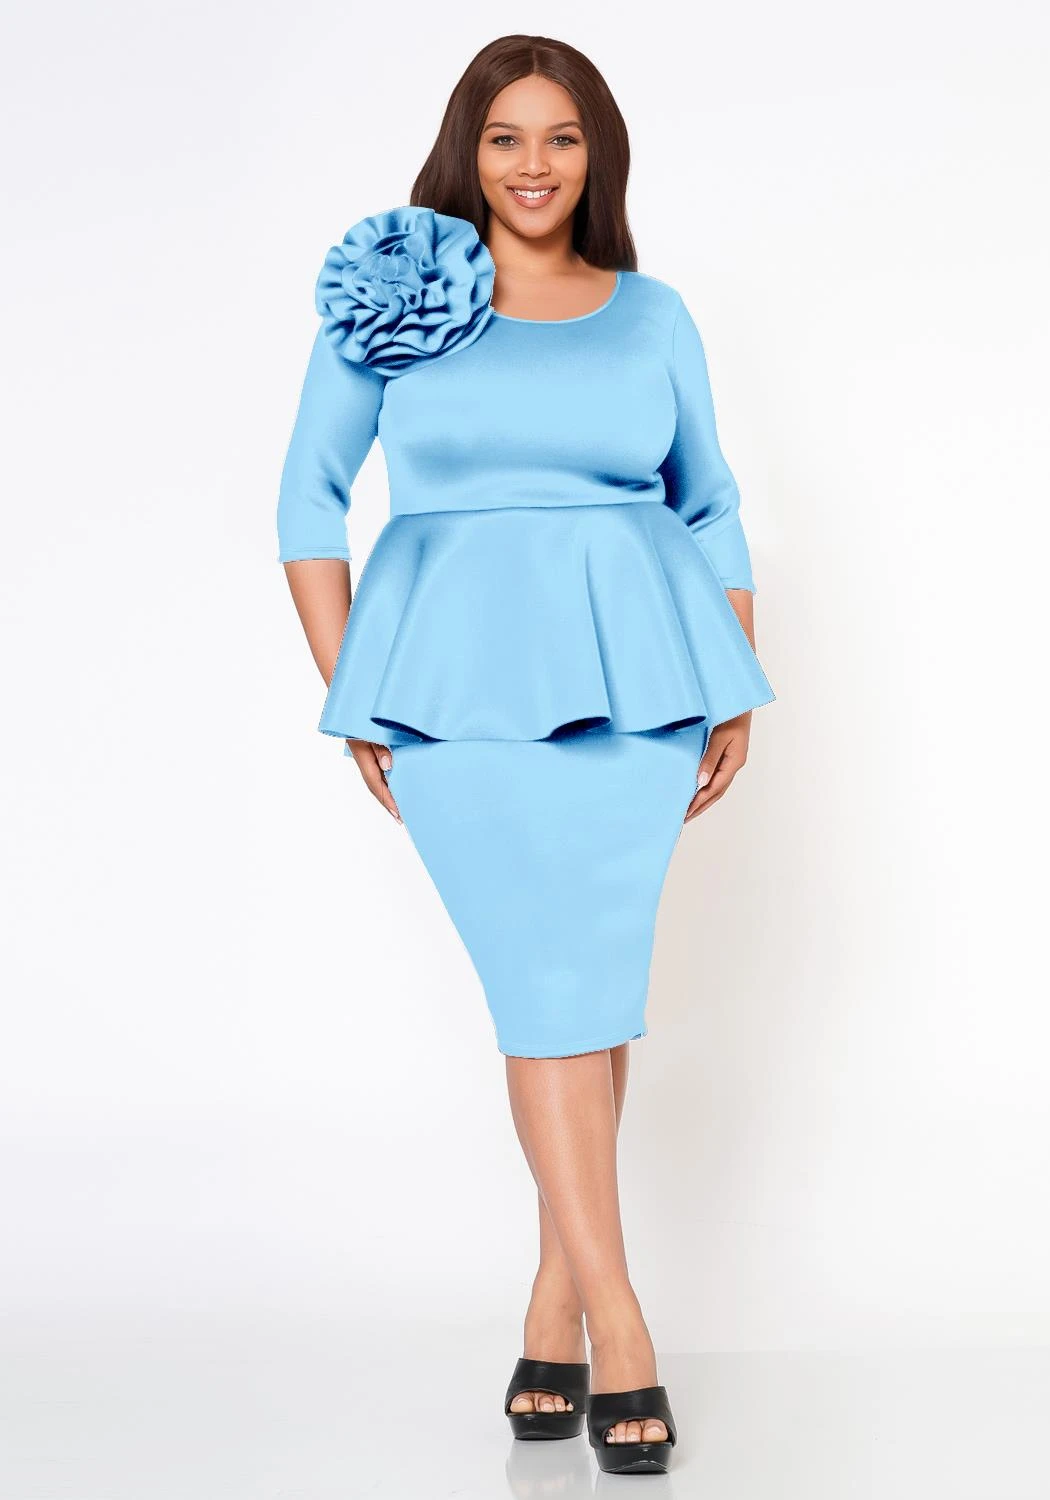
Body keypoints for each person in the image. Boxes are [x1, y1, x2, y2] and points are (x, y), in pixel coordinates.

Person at [277, 34, 774, 1477]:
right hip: (451, 695)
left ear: (596, 151)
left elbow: (709, 501)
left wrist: (732, 682)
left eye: (561, 136)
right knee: (547, 993)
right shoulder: (391, 296)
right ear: (468, 149)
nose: (534, 164)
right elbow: (308, 499)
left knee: (589, 989)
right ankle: (621, 1321)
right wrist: (354, 687)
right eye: (506, 137)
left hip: (642, 683)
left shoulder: (652, 313)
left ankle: (554, 1309)